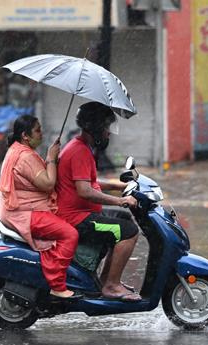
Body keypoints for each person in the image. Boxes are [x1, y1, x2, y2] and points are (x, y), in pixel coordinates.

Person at [55, 102, 142, 302]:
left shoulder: (81, 147)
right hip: (76, 218)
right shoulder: (79, 151)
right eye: (106, 128)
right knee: (128, 231)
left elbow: (91, 182)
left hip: (81, 214)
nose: (109, 134)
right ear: (95, 127)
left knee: (122, 218)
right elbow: (84, 191)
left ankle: (106, 281)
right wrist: (120, 201)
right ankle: (111, 286)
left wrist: (120, 187)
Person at [0, 115, 80, 300]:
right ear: (26, 136)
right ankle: (57, 286)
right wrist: (51, 158)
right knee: (70, 234)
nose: (41, 134)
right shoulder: (25, 156)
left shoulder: (18, 149)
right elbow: (48, 184)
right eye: (38, 130)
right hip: (23, 213)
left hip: (17, 210)